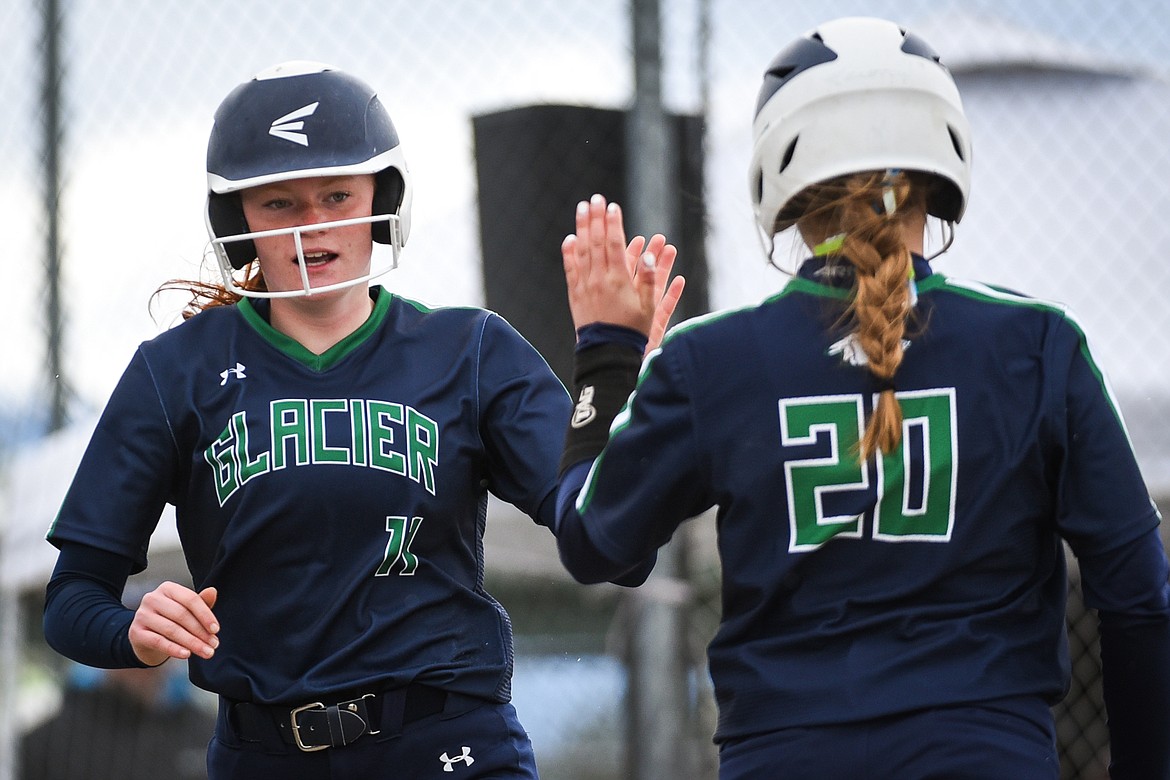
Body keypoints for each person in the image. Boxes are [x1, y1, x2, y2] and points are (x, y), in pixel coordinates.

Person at [552, 17, 1170, 780]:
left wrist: (608, 358)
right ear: (940, 164)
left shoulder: (710, 361)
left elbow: (595, 545)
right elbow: (1138, 593)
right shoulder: (1036, 343)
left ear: (783, 179)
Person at [40, 61, 681, 779]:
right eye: (279, 203)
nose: (314, 224)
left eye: (337, 194)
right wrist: (133, 633)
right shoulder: (174, 373)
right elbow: (71, 599)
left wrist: (613, 366)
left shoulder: (469, 352)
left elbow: (615, 546)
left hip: (448, 747)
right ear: (237, 218)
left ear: (382, 196)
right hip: (265, 755)